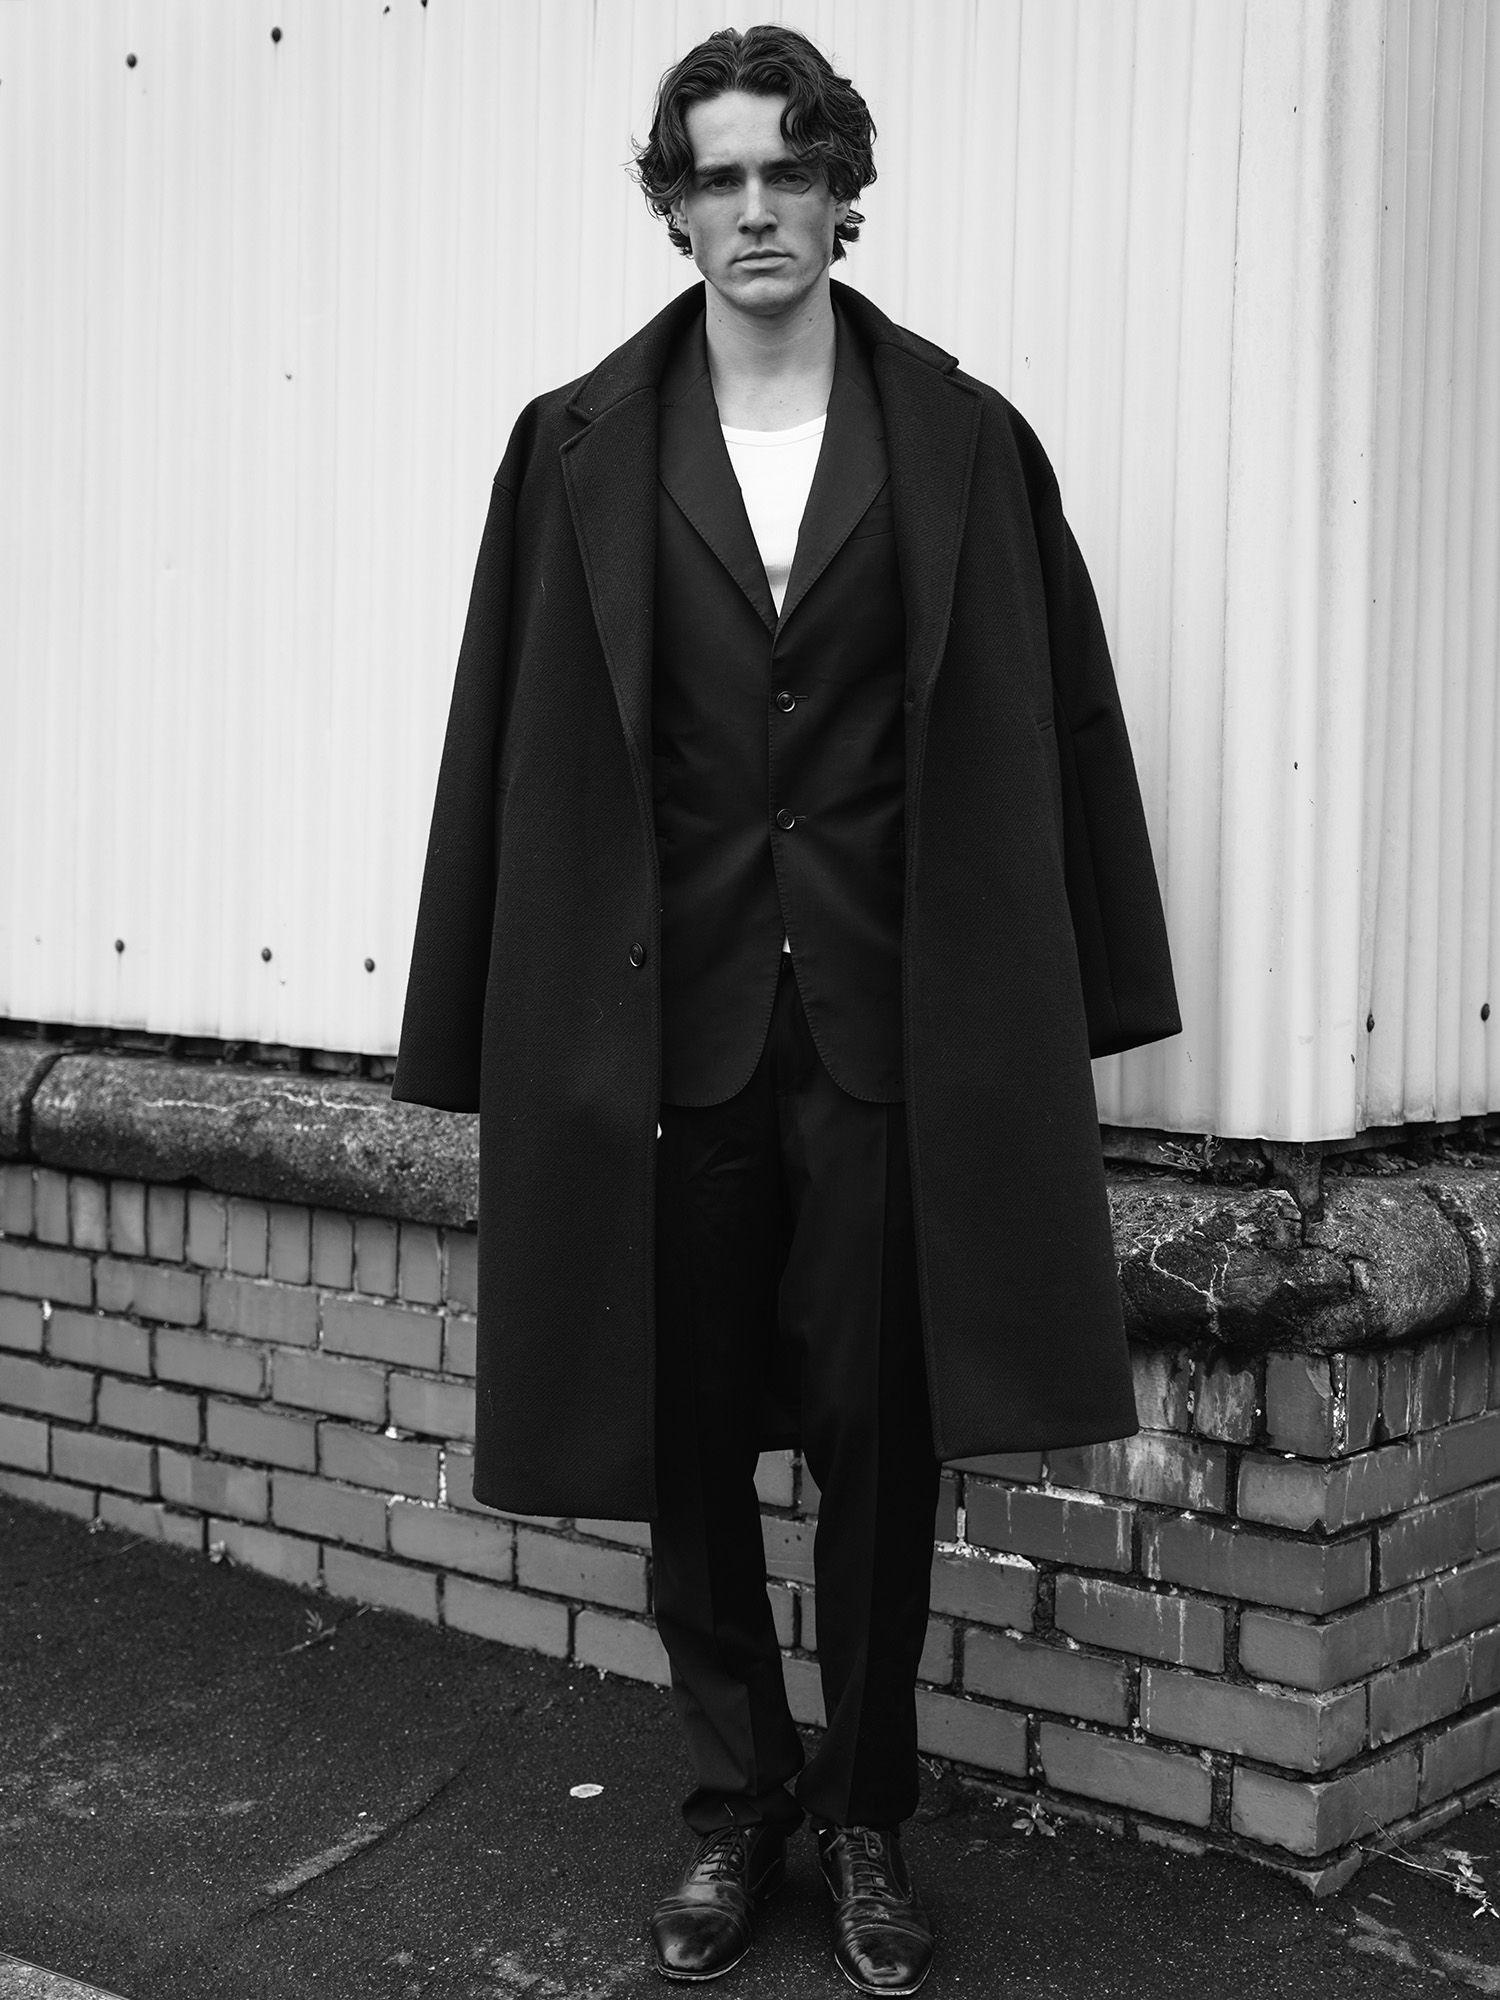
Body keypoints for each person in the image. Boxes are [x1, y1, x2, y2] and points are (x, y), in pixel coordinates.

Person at [393, 23, 1179, 1994]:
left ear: (843, 192)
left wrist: (1086, 985)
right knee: (682, 1438)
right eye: (720, 177)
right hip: (661, 1039)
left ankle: (868, 1812)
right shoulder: (572, 444)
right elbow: (503, 734)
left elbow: (1062, 715)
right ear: (674, 208)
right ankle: (738, 1802)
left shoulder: (963, 439)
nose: (758, 209)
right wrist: (474, 1013)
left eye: (790, 170)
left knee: (878, 1439)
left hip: (886, 1040)